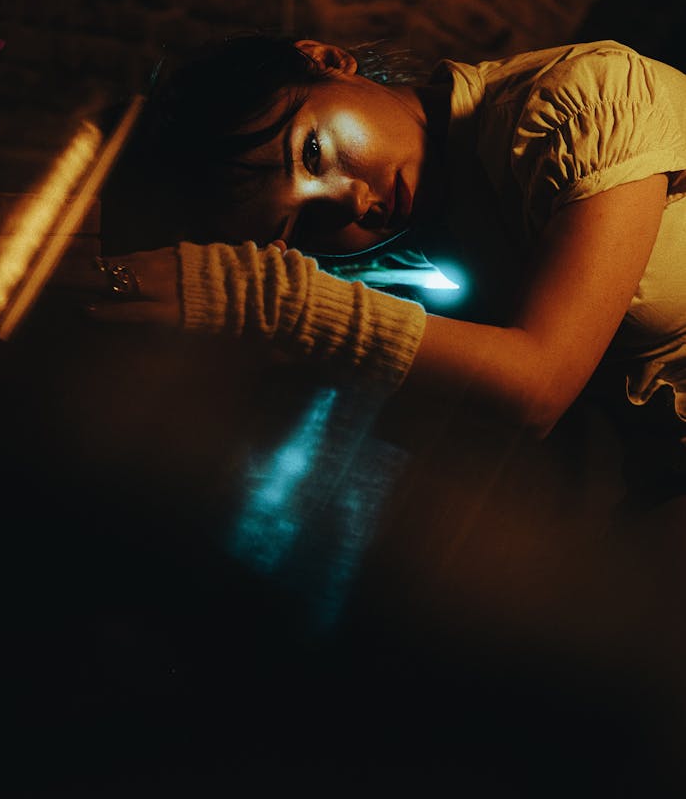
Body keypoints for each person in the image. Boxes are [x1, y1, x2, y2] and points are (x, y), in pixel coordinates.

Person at [90, 32, 686, 490]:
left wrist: (269, 300)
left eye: (314, 152)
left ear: (326, 58)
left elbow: (539, 386)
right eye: (300, 225)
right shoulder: (440, 230)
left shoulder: (584, 100)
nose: (351, 202)